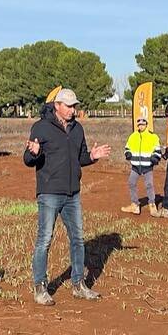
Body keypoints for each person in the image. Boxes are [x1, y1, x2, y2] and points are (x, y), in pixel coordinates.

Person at [23, 88, 111, 304]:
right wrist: (34, 153)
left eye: (75, 106)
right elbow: (28, 159)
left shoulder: (77, 129)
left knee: (78, 239)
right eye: (70, 106)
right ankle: (40, 287)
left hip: (73, 193)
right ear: (57, 106)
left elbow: (80, 157)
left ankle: (79, 284)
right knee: (44, 239)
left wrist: (92, 156)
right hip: (50, 192)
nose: (73, 110)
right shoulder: (41, 127)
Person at [121, 116, 163, 216]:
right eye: (139, 124)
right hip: (135, 166)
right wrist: (128, 153)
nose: (141, 126)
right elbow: (127, 148)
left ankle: (152, 204)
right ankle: (135, 205)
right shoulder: (133, 136)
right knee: (131, 183)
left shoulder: (153, 136)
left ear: (146, 125)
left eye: (143, 124)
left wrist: (154, 158)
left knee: (149, 185)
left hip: (147, 166)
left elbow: (157, 151)